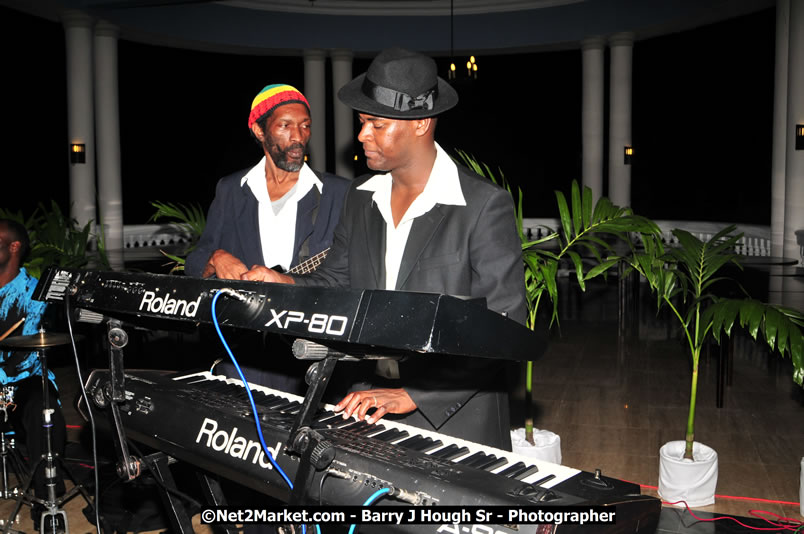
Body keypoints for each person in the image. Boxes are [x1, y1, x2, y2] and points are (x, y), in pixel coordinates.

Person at [242, 48, 526, 450]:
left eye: (376, 124)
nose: (362, 135)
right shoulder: (359, 196)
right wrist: (283, 283)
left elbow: (505, 326)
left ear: (421, 123)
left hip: (456, 423)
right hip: (364, 406)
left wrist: (415, 395)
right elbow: (337, 281)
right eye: (362, 123)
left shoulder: (482, 206)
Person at [185, 83, 350, 394]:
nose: (298, 136)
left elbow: (350, 276)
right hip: (244, 359)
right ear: (259, 131)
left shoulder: (338, 194)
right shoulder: (231, 190)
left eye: (305, 126)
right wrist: (215, 258)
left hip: (311, 358)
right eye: (285, 126)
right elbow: (194, 261)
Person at [0, 218, 66, 530]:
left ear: (13, 247)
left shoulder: (36, 294)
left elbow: (26, 357)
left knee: (43, 406)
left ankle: (46, 501)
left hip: (21, 386)